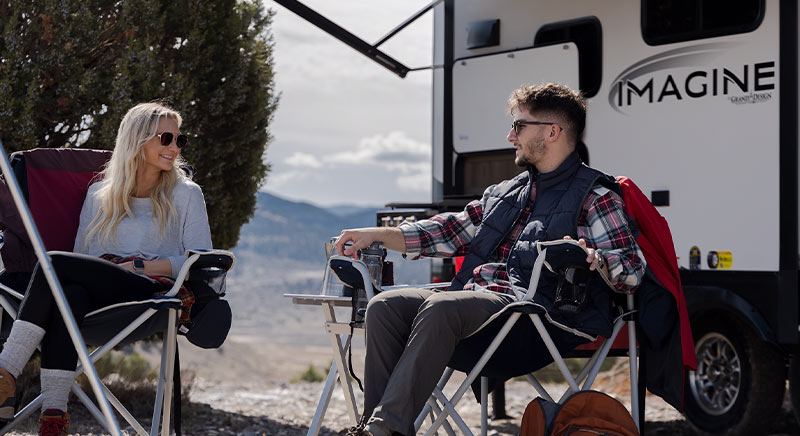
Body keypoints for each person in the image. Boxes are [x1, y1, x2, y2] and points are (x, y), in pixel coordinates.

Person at [335, 83, 645, 436]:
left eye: (518, 126)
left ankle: (385, 431)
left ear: (552, 132)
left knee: (443, 307)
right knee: (384, 306)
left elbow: (632, 269)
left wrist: (597, 259)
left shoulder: (595, 196)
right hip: (480, 317)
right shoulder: (505, 194)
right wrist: (376, 236)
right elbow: (448, 230)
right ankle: (375, 425)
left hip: (536, 322)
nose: (510, 136)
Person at [0, 102, 212, 435]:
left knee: (53, 262)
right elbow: (81, 255)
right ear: (137, 139)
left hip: (150, 290)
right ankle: (53, 418)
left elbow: (200, 261)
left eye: (179, 140)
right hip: (99, 288)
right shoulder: (99, 193)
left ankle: (5, 369)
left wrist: (141, 265)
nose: (174, 148)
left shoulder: (186, 194)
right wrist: (106, 267)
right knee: (66, 292)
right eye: (166, 138)